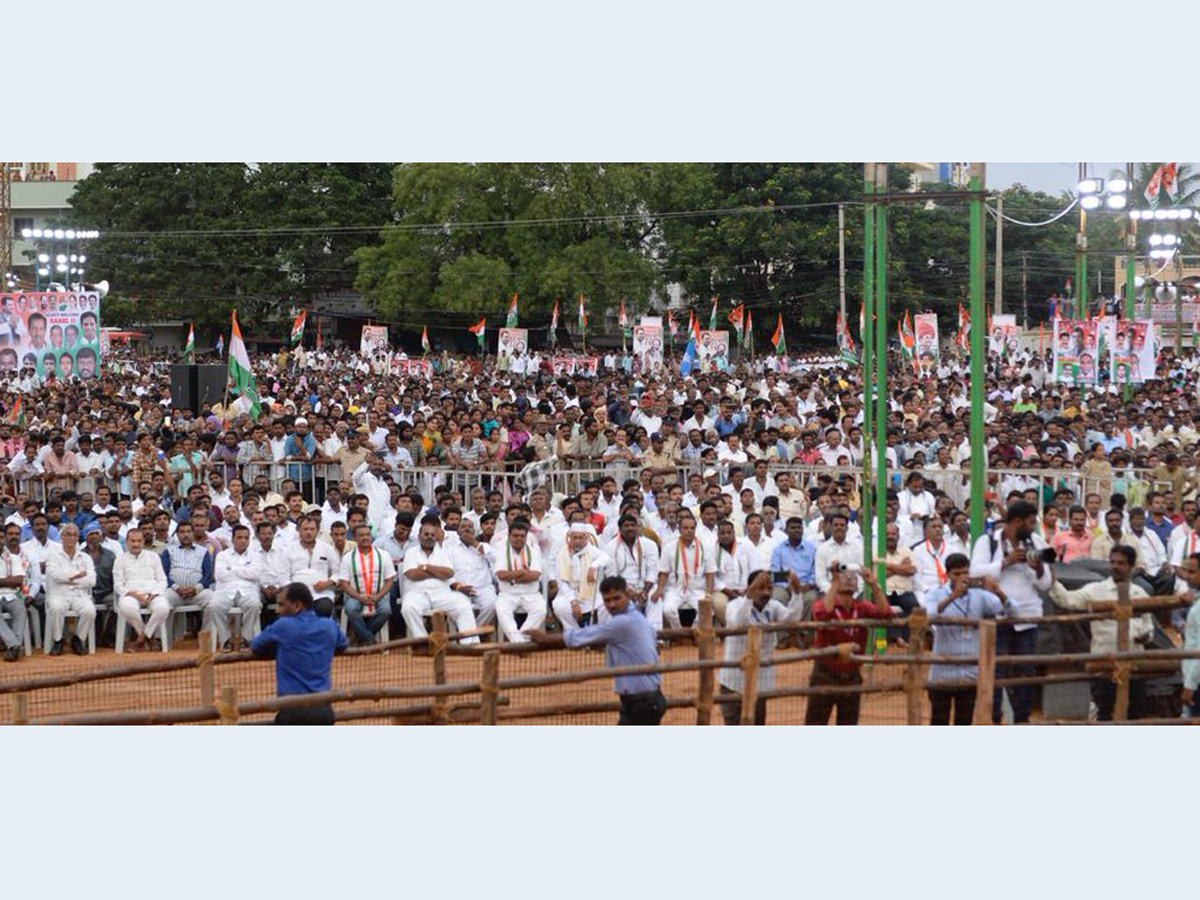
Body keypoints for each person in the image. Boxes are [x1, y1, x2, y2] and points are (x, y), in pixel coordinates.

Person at [529, 575, 666, 725]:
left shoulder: (622, 622)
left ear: (627, 595)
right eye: (607, 600)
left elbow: (585, 635)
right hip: (646, 698)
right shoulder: (638, 617)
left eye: (616, 598)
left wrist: (543, 638)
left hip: (642, 701)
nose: (612, 605)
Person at [1048, 545, 1154, 721]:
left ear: (1131, 567)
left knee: (1136, 714)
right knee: (1104, 712)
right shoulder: (1096, 590)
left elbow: (1148, 627)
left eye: (1121, 563)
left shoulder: (1140, 593)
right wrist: (1052, 581)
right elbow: (1067, 600)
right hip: (1104, 663)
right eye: (1113, 562)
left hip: (1134, 665)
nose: (1115, 567)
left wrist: (1145, 636)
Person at [969, 500, 1050, 724]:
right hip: (996, 617)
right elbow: (974, 573)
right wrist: (1005, 562)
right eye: (1031, 522)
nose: (1034, 527)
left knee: (1026, 671)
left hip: (1028, 617)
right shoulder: (987, 542)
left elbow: (1046, 584)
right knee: (996, 669)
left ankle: (1022, 719)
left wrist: (1039, 567)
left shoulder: (1037, 542)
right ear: (1016, 522)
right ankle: (994, 718)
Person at [922, 554, 1009, 725]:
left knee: (964, 722)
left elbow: (1011, 611)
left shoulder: (979, 595)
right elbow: (929, 614)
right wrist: (953, 596)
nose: (963, 577)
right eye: (957, 574)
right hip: (941, 676)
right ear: (947, 575)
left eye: (965, 573)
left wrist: (998, 590)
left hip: (969, 676)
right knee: (939, 722)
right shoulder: (936, 594)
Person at [250, 582, 347, 725]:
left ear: (297, 606)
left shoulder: (283, 626)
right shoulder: (329, 625)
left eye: (282, 605)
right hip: (324, 710)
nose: (278, 610)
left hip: (293, 709)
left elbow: (256, 646)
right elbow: (342, 644)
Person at [805, 563, 890, 725]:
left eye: (854, 576)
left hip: (852, 676)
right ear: (835, 580)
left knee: (848, 724)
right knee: (815, 723)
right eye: (844, 575)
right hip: (824, 676)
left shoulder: (862, 607)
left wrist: (873, 584)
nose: (850, 578)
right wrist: (834, 583)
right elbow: (822, 615)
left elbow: (886, 614)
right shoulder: (822, 604)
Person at [718, 569, 803, 725]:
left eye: (769, 588)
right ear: (749, 588)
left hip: (760, 682)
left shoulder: (773, 606)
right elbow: (739, 622)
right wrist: (749, 595)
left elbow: (791, 619)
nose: (766, 593)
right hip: (733, 682)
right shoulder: (734, 606)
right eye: (761, 588)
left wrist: (797, 592)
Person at [397, 519, 478, 642]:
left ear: (436, 537)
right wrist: (438, 573)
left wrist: (426, 567)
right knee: (408, 608)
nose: (429, 537)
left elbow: (449, 573)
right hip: (417, 594)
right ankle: (424, 642)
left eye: (432, 535)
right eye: (426, 534)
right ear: (419, 536)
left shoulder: (442, 553)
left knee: (463, 605)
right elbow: (412, 574)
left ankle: (469, 644)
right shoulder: (411, 552)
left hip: (441, 594)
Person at [653, 513, 715, 631]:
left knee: (707, 609)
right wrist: (659, 589)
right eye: (685, 528)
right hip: (676, 589)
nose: (689, 531)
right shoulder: (669, 547)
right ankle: (679, 633)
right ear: (679, 529)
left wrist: (709, 593)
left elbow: (710, 573)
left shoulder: (705, 547)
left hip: (697, 589)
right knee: (668, 610)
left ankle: (693, 632)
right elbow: (664, 572)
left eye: (692, 528)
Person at [113, 528, 170, 651]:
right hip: (131, 595)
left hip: (152, 594)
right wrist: (134, 594)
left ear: (143, 542)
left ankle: (142, 638)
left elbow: (162, 580)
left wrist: (153, 594)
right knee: (127, 607)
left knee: (163, 608)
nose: (136, 544)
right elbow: (118, 585)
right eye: (132, 541)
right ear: (127, 542)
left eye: (139, 541)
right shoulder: (120, 560)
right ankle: (148, 637)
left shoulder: (153, 557)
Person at [210, 525, 265, 650]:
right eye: (239, 537)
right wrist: (244, 571)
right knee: (214, 606)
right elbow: (219, 575)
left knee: (255, 604)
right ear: (233, 539)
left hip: (248, 591)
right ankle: (226, 639)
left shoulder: (256, 556)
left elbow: (256, 574)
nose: (243, 540)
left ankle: (246, 638)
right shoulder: (222, 555)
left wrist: (232, 569)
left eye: (246, 537)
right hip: (225, 591)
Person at [45, 524, 97, 656]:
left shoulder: (86, 558)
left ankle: (78, 639)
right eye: (68, 534)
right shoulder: (53, 555)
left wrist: (69, 580)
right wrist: (78, 575)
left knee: (90, 611)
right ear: (62, 537)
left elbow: (92, 580)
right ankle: (57, 640)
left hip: (80, 594)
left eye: (74, 535)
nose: (71, 538)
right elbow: (55, 575)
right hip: (58, 594)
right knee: (56, 608)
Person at [341, 523, 397, 644]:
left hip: (379, 594)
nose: (365, 537)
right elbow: (344, 583)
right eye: (361, 535)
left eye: (368, 535)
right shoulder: (348, 557)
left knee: (386, 610)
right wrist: (359, 597)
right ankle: (369, 639)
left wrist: (378, 596)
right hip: (355, 595)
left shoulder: (384, 555)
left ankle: (363, 638)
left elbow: (389, 580)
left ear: (371, 537)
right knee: (350, 609)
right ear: (355, 538)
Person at [493, 519, 546, 642]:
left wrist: (512, 576)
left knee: (541, 610)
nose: (519, 538)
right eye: (515, 535)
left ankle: (519, 640)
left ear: (526, 537)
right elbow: (501, 575)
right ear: (509, 536)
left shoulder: (533, 550)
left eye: (522, 536)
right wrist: (522, 572)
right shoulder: (501, 550)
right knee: (501, 610)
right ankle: (520, 643)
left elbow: (535, 575)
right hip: (507, 594)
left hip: (531, 594)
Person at [551, 522, 611, 629]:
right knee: (559, 607)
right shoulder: (562, 555)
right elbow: (562, 582)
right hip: (570, 593)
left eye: (580, 538)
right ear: (570, 537)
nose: (578, 541)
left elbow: (605, 558)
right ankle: (577, 635)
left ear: (585, 538)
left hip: (591, 593)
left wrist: (593, 567)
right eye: (575, 538)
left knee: (605, 605)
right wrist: (573, 602)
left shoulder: (591, 550)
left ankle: (601, 635)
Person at [0, 524, 30, 660]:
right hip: (7, 591)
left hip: (11, 595)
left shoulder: (13, 558)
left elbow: (19, 580)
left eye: (1, 537)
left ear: (5, 539)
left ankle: (13, 647)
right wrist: (8, 581)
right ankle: (15, 645)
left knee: (21, 610)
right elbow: (13, 580)